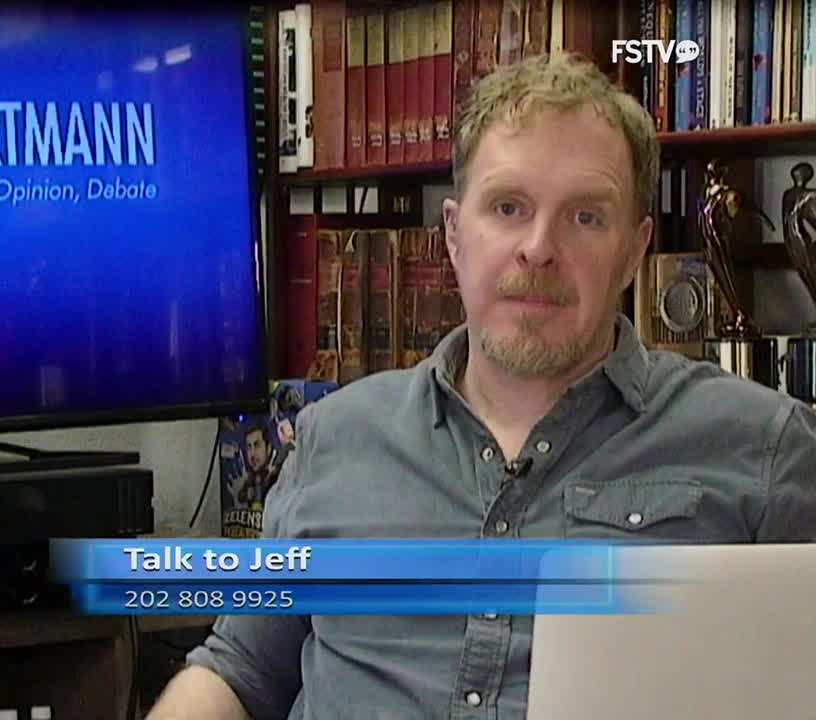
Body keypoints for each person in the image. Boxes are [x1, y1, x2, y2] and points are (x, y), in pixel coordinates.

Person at [146, 53, 816, 720]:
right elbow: (238, 674)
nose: (538, 248)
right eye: (507, 206)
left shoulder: (763, 449)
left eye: (585, 216)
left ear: (634, 251)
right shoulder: (334, 438)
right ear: (453, 235)